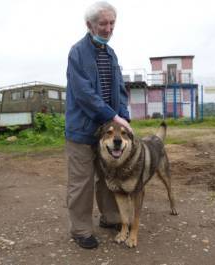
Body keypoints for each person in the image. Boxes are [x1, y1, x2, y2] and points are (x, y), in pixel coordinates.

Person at [65, 1, 132, 249]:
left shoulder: (110, 53)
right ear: (89, 25)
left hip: (107, 130)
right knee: (81, 182)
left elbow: (119, 90)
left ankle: (111, 217)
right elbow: (83, 93)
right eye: (102, 23)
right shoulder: (77, 52)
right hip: (81, 131)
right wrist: (112, 116)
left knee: (107, 177)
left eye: (112, 23)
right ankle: (81, 230)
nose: (108, 28)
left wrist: (124, 116)